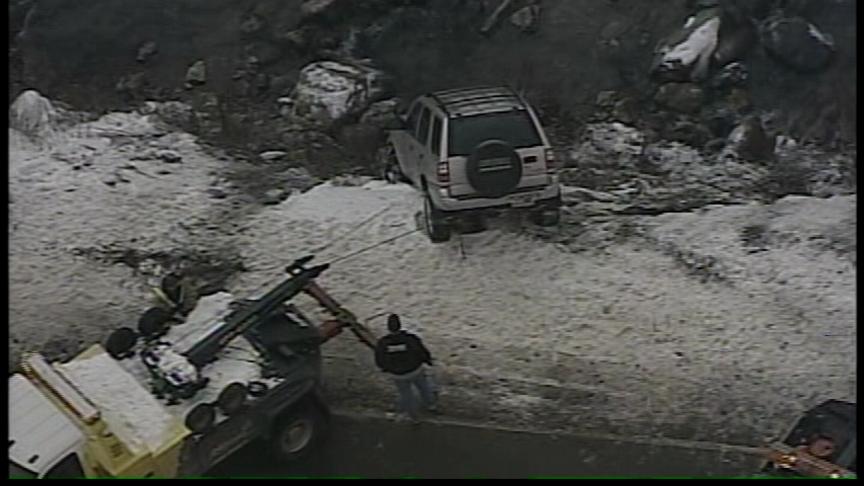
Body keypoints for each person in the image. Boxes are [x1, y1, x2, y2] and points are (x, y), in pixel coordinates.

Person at [374, 314, 437, 422]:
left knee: (406, 394)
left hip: (397, 375)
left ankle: (414, 416)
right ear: (400, 325)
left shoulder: (383, 343)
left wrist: (385, 368)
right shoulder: (410, 339)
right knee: (424, 387)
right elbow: (421, 351)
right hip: (415, 370)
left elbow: (379, 358)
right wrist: (428, 360)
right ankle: (431, 405)